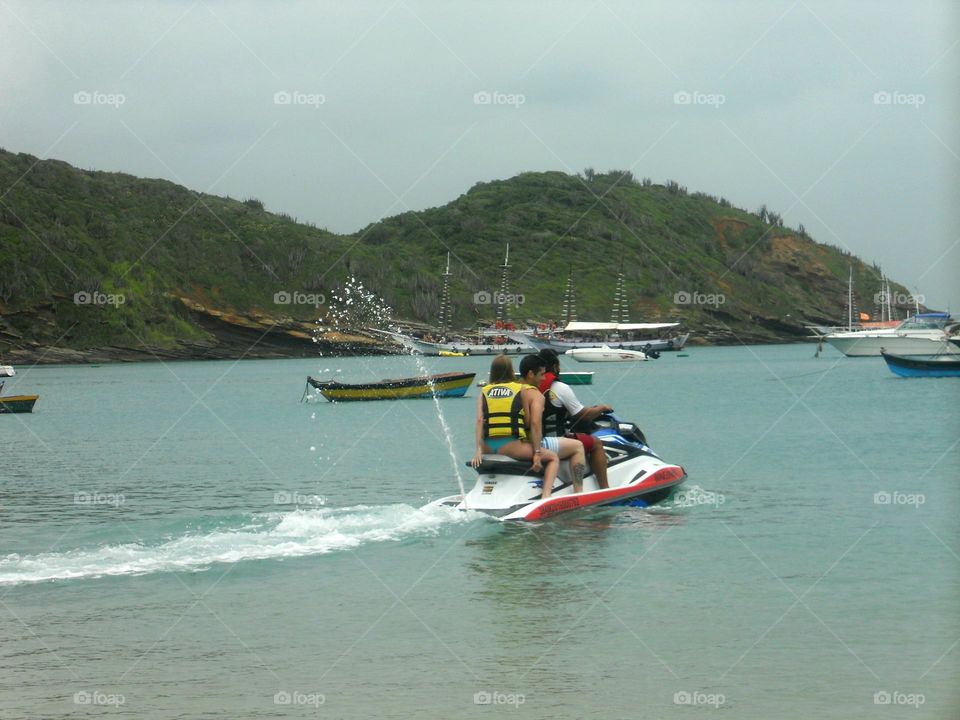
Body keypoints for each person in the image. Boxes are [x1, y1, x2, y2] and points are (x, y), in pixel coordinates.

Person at [472, 354, 561, 495]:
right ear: (511, 371)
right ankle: (546, 497)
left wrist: (478, 450)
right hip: (511, 447)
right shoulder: (520, 390)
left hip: (487, 447)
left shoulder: (484, 391)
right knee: (553, 457)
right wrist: (537, 452)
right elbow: (529, 421)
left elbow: (479, 420)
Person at [538, 348, 610, 489]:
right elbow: (583, 415)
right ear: (554, 366)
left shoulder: (530, 386)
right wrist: (602, 408)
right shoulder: (560, 388)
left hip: (535, 441)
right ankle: (605, 488)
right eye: (558, 365)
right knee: (596, 443)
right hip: (555, 441)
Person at [516, 354, 587, 496]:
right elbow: (534, 424)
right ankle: (579, 493)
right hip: (531, 443)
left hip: (510, 443)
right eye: (541, 374)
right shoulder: (534, 394)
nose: (543, 379)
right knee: (578, 446)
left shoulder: (512, 389)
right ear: (530, 374)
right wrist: (537, 452)